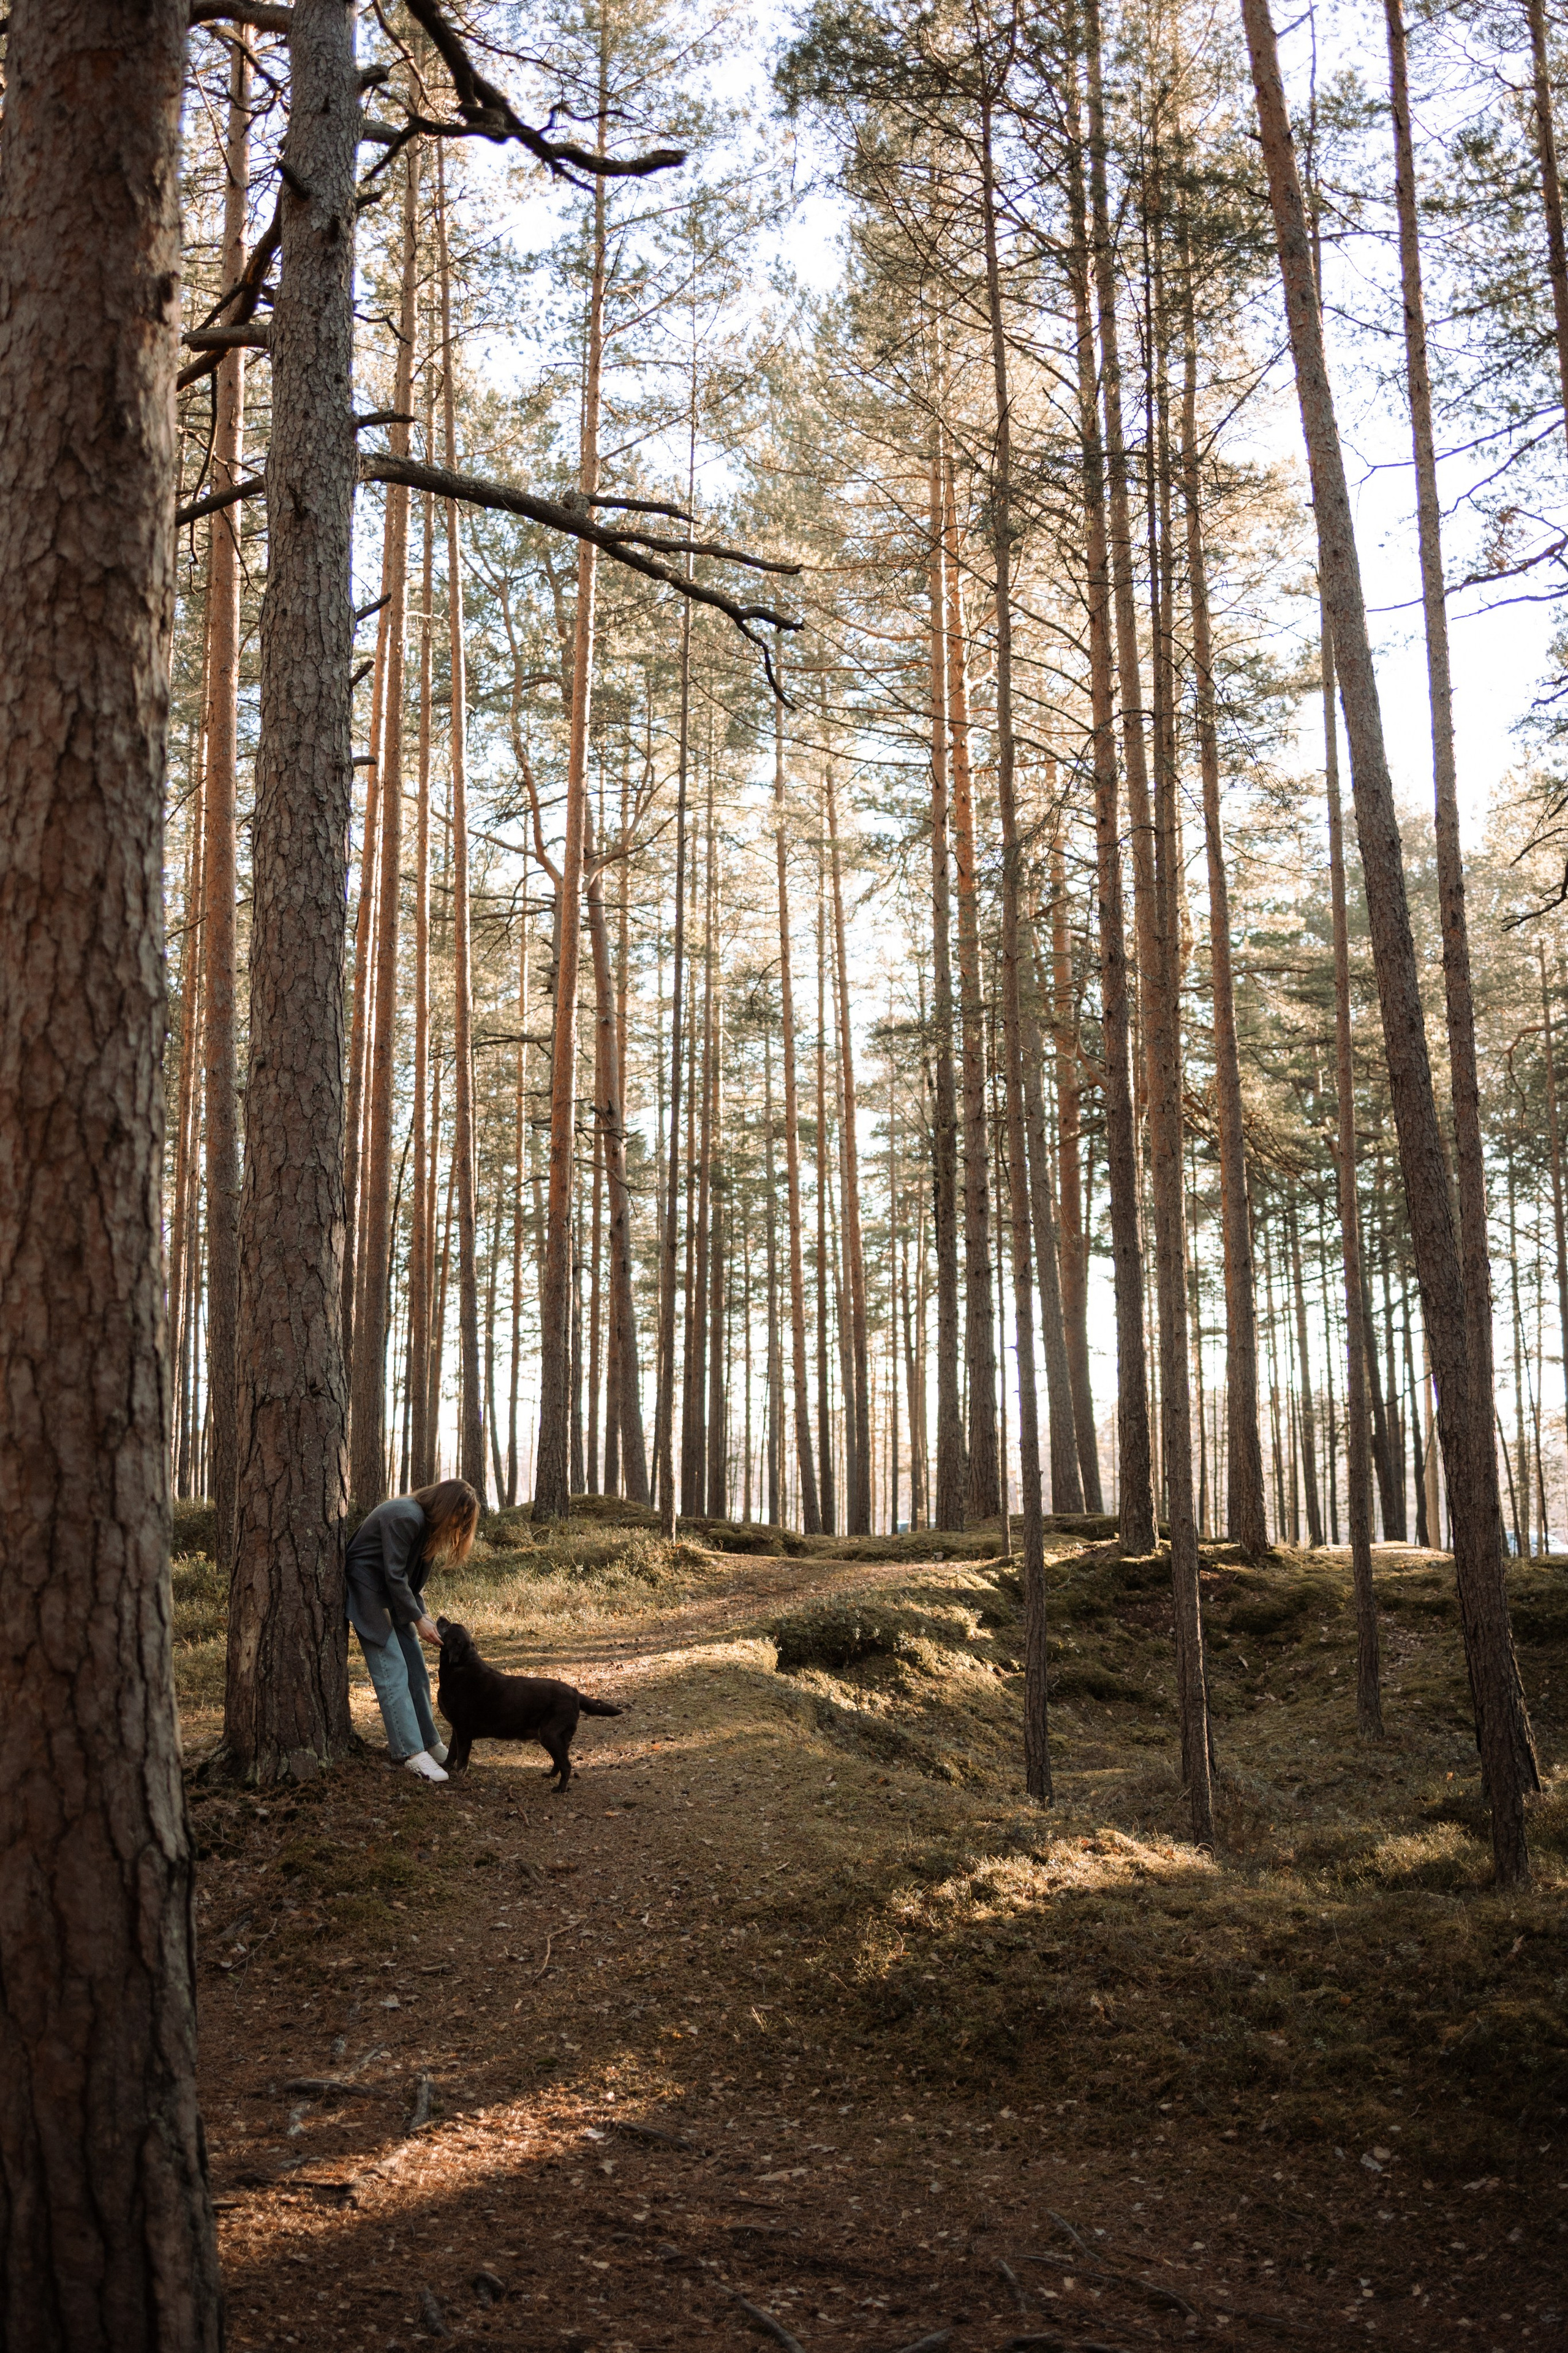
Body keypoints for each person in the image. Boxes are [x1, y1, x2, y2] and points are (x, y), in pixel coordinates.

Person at [345, 1478, 479, 1782]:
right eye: (459, 1519)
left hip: (393, 1594)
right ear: (447, 1508)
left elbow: (410, 1582)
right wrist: (417, 1620)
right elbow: (394, 1575)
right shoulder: (407, 1516)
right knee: (392, 1668)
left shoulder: (428, 1529)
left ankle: (429, 1743)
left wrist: (425, 1616)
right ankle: (410, 1752)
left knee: (416, 1669)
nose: (458, 1528)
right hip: (367, 1589)